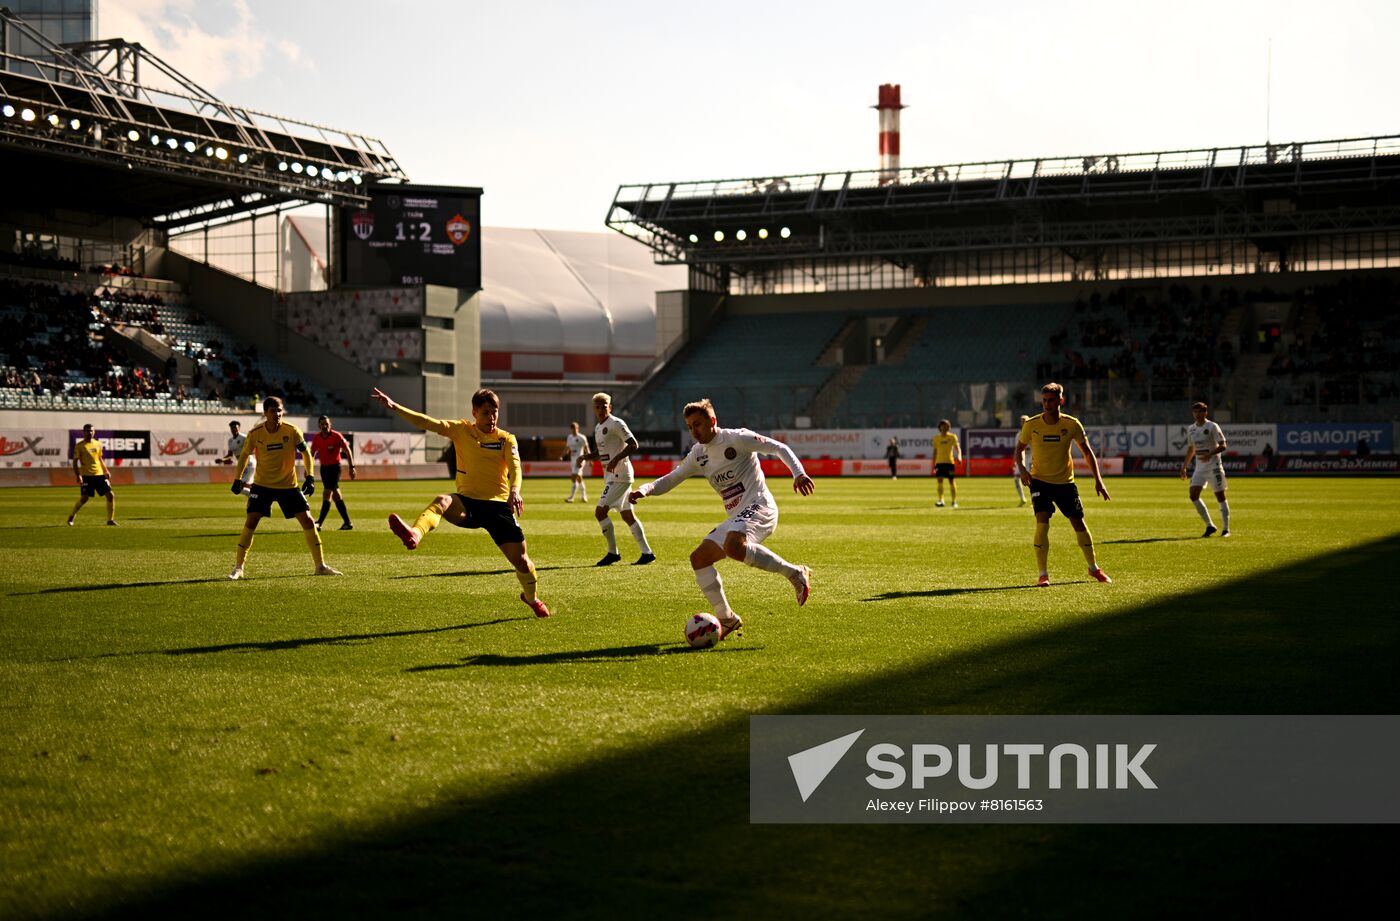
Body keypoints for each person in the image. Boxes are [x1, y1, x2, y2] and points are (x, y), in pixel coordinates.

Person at [629, 398, 813, 641]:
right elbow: (672, 478)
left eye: (698, 424)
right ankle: (726, 618)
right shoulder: (698, 454)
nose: (694, 431)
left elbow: (779, 447)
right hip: (738, 517)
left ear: (712, 421)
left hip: (760, 506)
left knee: (734, 545)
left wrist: (799, 473)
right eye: (690, 426)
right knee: (699, 559)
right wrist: (647, 489)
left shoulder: (737, 438)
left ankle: (795, 573)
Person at [373, 386, 550, 618]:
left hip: (498, 507)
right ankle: (415, 534)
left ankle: (531, 598)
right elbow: (427, 422)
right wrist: (395, 407)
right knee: (442, 500)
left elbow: (515, 467)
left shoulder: (506, 439)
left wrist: (515, 490)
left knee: (523, 563)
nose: (492, 417)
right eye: (486, 412)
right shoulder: (461, 430)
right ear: (475, 413)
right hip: (468, 504)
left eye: (495, 412)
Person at [228, 396, 341, 580]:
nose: (277, 414)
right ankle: (239, 567)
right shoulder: (255, 433)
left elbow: (306, 453)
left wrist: (310, 476)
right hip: (262, 485)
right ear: (265, 413)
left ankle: (320, 566)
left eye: (280, 410)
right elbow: (244, 456)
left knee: (308, 521)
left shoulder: (292, 431)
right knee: (251, 522)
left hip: (288, 485)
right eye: (273, 411)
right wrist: (237, 479)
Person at [1015, 383, 1112, 587]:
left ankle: (1093, 568)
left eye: (1051, 400)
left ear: (1061, 401)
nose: (1047, 404)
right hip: (1039, 481)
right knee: (1042, 522)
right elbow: (1020, 448)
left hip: (1065, 483)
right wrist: (1022, 469)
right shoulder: (1032, 424)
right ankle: (1043, 574)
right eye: (1044, 400)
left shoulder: (1072, 424)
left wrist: (1099, 480)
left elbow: (1087, 452)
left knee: (1079, 523)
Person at [584, 392, 655, 566]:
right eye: (598, 407)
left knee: (600, 512)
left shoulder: (616, 423)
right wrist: (585, 457)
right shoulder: (598, 428)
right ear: (594, 409)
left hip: (620, 475)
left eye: (604, 405)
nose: (601, 409)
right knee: (627, 514)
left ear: (611, 407)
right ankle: (647, 553)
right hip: (611, 476)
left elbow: (633, 444)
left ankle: (612, 553)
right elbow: (601, 453)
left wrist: (616, 459)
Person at [1179, 401, 1230, 538]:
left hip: (1214, 467)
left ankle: (1226, 529)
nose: (1197, 414)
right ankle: (1210, 525)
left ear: (1205, 412)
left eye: (1200, 411)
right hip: (1200, 469)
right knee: (1193, 495)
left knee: (1220, 497)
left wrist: (1210, 454)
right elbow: (1191, 449)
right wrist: (1184, 467)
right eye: (1195, 412)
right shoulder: (1191, 429)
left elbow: (1223, 445)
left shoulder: (1212, 426)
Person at [309, 415, 356, 531]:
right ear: (319, 426)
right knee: (336, 495)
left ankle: (319, 522)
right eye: (322, 424)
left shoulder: (336, 436)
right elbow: (312, 453)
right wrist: (308, 469)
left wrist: (352, 466)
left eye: (326, 424)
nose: (324, 426)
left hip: (335, 468)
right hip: (324, 469)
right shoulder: (317, 438)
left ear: (330, 425)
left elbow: (347, 450)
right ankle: (347, 522)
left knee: (327, 493)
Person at [67, 424, 116, 526]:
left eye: (91, 431)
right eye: (87, 431)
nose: (89, 432)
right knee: (84, 499)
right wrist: (78, 475)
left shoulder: (98, 444)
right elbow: (75, 462)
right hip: (87, 476)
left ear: (94, 432)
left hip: (99, 475)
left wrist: (106, 471)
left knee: (110, 495)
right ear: (83, 432)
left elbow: (100, 459)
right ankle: (72, 516)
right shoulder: (79, 446)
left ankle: (110, 520)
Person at [932, 419, 962, 508]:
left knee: (951, 481)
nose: (944, 427)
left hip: (949, 462)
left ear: (949, 427)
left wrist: (959, 456)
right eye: (943, 425)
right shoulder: (936, 438)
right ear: (940, 427)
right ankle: (941, 500)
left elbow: (958, 448)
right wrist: (934, 464)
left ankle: (954, 501)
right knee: (940, 480)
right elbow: (935, 451)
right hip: (939, 463)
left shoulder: (952, 437)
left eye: (946, 426)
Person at [218, 420, 252, 496]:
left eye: (235, 428)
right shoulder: (230, 441)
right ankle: (256, 495)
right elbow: (230, 455)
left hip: (249, 464)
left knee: (239, 487)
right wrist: (222, 460)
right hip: (242, 465)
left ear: (239, 428)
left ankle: (257, 498)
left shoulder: (244, 438)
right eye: (232, 428)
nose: (234, 429)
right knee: (241, 487)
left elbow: (252, 449)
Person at [562, 421, 590, 502]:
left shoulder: (582, 437)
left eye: (575, 428)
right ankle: (584, 497)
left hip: (580, 460)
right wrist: (562, 455)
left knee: (573, 477)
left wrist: (590, 459)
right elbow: (567, 448)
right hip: (573, 460)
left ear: (578, 428)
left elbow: (586, 448)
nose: (574, 430)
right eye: (572, 428)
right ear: (571, 429)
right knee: (579, 478)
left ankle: (571, 497)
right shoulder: (569, 437)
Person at [1013, 415, 1031, 506]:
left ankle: (1035, 499)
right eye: (1022, 421)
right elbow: (1017, 449)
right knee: (1016, 479)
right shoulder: (1019, 434)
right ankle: (1022, 498)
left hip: (1031, 458)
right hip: (1022, 458)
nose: (1023, 422)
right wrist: (1015, 461)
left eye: (1025, 420)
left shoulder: (1033, 432)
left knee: (1032, 480)